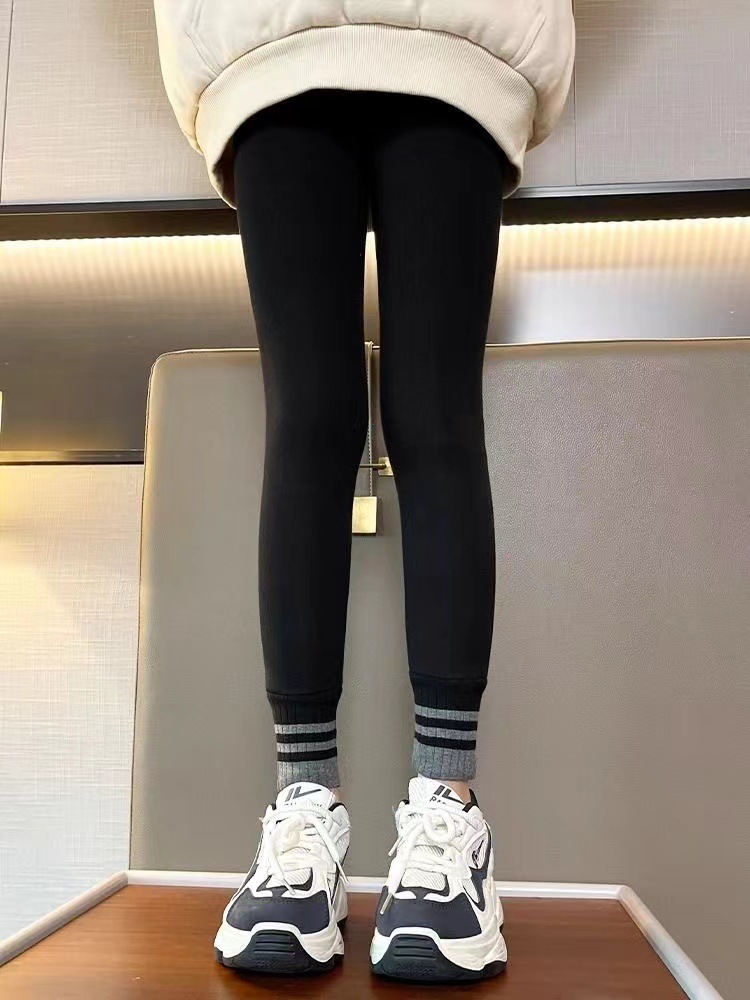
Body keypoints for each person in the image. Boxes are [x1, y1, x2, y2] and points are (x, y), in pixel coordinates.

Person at [153, 1, 575, 982]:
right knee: (309, 421)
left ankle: (447, 810)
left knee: (434, 418)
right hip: (267, 38)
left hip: (458, 35)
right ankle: (306, 810)